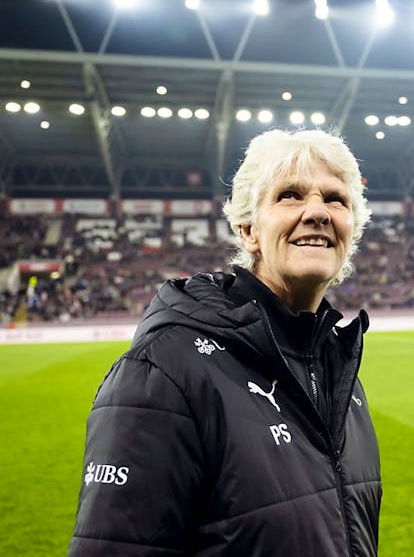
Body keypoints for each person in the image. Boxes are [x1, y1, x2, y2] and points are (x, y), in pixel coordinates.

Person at [68, 129, 382, 556]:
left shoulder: (337, 369)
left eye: (335, 199)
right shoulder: (165, 369)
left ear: (352, 229)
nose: (317, 212)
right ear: (248, 229)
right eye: (289, 195)